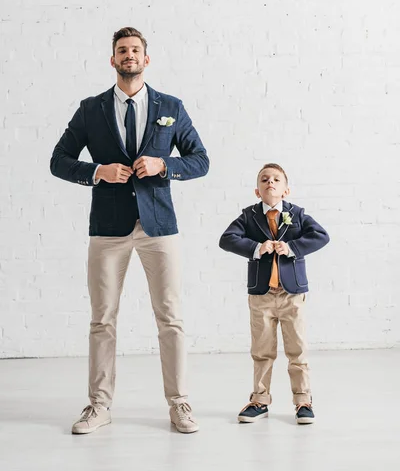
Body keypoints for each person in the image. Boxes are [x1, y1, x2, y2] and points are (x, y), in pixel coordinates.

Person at [50, 26, 209, 434]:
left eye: (136, 50)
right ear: (113, 59)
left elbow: (200, 160)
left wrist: (165, 165)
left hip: (159, 226)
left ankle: (180, 404)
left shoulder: (170, 106)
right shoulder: (91, 109)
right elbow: (59, 160)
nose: (129, 56)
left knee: (170, 318)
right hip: (108, 229)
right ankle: (98, 406)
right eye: (122, 50)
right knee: (102, 319)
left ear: (146, 59)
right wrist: (97, 171)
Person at [219, 163, 329, 424]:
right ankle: (259, 400)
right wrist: (258, 247)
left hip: (292, 295)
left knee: (297, 350)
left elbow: (321, 236)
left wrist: (291, 247)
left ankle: (303, 401)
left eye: (276, 179)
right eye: (264, 179)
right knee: (261, 350)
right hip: (261, 295)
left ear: (285, 189)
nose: (270, 182)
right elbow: (227, 239)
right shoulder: (249, 216)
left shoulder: (297, 214)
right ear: (257, 191)